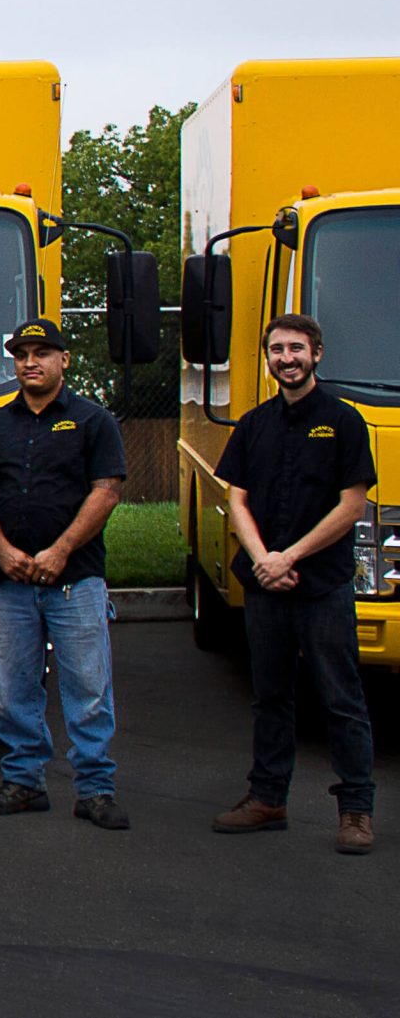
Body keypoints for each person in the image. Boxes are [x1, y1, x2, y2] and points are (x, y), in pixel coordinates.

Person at [211, 313, 377, 855]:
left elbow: (352, 505)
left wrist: (289, 557)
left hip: (322, 586)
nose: (287, 358)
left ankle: (355, 811)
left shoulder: (345, 422)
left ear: (318, 354)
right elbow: (236, 498)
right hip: (266, 588)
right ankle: (267, 799)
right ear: (268, 358)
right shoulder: (253, 424)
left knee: (341, 699)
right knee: (271, 697)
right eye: (278, 349)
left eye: (297, 349)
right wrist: (263, 561)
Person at [0, 319, 130, 829]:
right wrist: (2, 549)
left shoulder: (93, 420)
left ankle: (96, 790)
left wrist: (60, 550)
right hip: (8, 580)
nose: (30, 362)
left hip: (75, 579)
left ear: (65, 360)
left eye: (41, 353)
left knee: (88, 688)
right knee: (13, 689)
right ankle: (23, 781)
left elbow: (106, 491)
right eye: (21, 355)